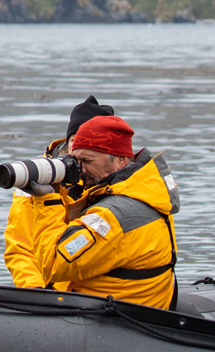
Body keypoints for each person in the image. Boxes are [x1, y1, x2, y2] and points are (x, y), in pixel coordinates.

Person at [16, 114, 177, 308]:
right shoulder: (144, 192)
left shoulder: (113, 216)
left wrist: (48, 202)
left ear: (120, 160)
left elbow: (53, 266)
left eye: (87, 160)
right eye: (74, 160)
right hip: (131, 308)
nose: (79, 169)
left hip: (117, 321)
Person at [3, 95, 110, 289]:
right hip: (47, 289)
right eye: (75, 140)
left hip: (89, 292)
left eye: (89, 143)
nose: (78, 148)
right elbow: (20, 248)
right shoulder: (36, 176)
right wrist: (35, 291)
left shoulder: (112, 178)